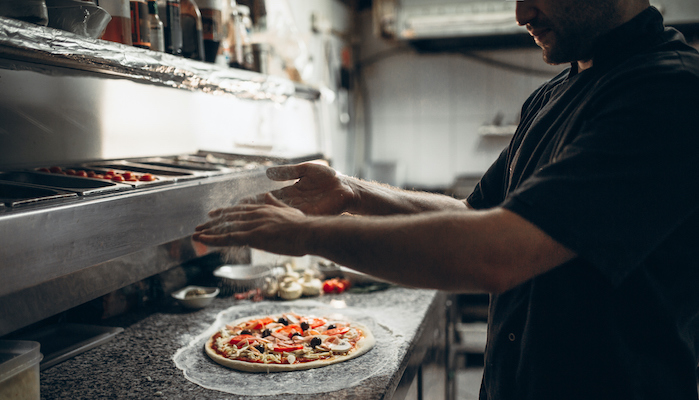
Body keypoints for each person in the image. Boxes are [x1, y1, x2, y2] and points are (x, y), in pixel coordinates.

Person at [194, 0, 699, 398]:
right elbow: (477, 216)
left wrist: (304, 233)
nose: (521, 13)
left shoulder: (668, 90)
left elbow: (497, 252)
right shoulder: (555, 94)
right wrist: (352, 192)